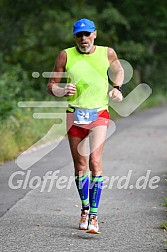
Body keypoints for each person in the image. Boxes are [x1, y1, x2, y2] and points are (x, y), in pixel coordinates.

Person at [47, 18, 124, 233]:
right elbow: (51, 85)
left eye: (87, 34)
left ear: (95, 34)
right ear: (74, 37)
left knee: (95, 160)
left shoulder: (107, 53)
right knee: (80, 165)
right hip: (75, 115)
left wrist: (117, 88)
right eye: (79, 35)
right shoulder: (65, 55)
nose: (84, 39)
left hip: (99, 114)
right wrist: (61, 91)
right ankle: (84, 209)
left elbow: (119, 71)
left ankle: (94, 216)